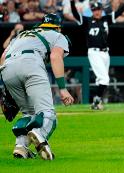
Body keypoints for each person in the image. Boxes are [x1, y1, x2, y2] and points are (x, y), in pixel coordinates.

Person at [0, 13, 74, 160]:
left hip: (7, 68)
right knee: (48, 114)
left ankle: (21, 148)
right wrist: (63, 89)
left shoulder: (22, 35)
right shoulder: (57, 35)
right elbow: (55, 57)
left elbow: (2, 58)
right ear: (58, 27)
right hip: (31, 64)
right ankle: (40, 135)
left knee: (28, 113)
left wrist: (7, 88)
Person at [70, 0, 124, 110]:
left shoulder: (106, 19)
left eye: (99, 9)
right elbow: (75, 15)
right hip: (94, 52)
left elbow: (120, 10)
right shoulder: (87, 21)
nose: (97, 12)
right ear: (92, 11)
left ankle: (96, 104)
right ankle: (96, 101)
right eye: (94, 10)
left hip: (105, 53)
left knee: (101, 80)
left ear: (101, 10)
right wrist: (72, 3)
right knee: (104, 79)